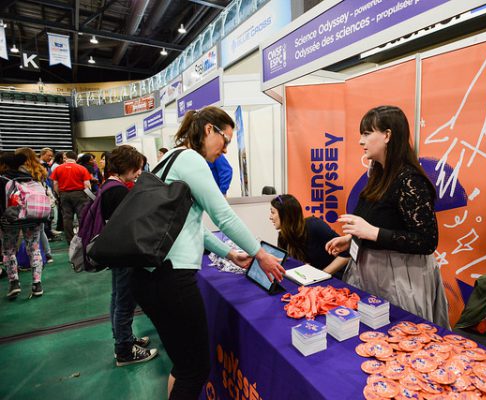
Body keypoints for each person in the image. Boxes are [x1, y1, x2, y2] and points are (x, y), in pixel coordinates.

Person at [131, 106, 285, 400]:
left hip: (148, 278)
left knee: (183, 363)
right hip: (171, 279)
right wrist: (259, 254)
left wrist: (229, 254)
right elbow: (223, 216)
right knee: (196, 370)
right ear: (208, 130)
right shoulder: (191, 159)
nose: (225, 150)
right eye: (225, 140)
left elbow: (189, 228)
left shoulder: (168, 160)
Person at [325, 105, 449, 328]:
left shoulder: (410, 181)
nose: (361, 141)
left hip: (400, 280)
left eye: (366, 133)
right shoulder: (378, 175)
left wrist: (372, 233)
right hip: (371, 276)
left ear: (387, 135)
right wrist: (352, 239)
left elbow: (426, 241)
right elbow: (377, 224)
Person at [102, 146, 158, 366]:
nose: (138, 174)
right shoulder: (119, 192)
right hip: (124, 253)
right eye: (137, 168)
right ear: (128, 166)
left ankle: (123, 339)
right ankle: (124, 350)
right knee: (125, 302)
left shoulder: (108, 186)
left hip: (115, 252)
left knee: (117, 298)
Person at [270, 194, 349, 278]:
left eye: (273, 212)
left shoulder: (315, 225)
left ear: (286, 215)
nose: (270, 217)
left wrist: (322, 274)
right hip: (307, 279)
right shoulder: (283, 236)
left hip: (333, 278)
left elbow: (346, 254)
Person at [0, 152, 45, 298]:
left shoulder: (2, 180)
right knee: (34, 249)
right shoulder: (30, 178)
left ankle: (14, 283)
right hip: (32, 217)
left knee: (8, 251)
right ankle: (37, 284)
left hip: (10, 220)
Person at [16, 147, 53, 264]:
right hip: (40, 204)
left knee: (23, 234)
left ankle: (26, 259)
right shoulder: (39, 169)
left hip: (25, 204)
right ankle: (47, 254)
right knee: (40, 231)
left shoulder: (19, 170)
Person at [50, 151, 91, 244]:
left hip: (64, 194)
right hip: (79, 194)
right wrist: (87, 195)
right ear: (76, 158)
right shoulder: (82, 168)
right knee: (82, 216)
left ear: (66, 157)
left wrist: (59, 194)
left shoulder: (58, 168)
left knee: (67, 217)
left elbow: (55, 184)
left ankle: (70, 240)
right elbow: (87, 184)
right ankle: (83, 237)